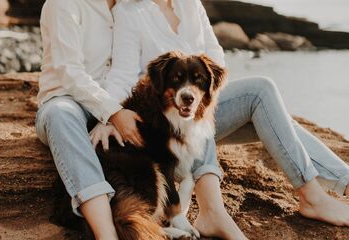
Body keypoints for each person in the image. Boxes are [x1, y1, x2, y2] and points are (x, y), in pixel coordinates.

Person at [89, 0, 349, 239]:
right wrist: (109, 113)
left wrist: (198, 90)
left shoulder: (190, 4)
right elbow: (123, 74)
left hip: (198, 105)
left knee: (265, 105)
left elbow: (217, 57)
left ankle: (345, 182)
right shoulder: (129, 11)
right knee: (261, 93)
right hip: (165, 120)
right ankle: (216, 210)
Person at [35, 0, 124, 239]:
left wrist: (113, 116)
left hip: (116, 104)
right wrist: (113, 112)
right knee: (59, 114)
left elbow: (134, 69)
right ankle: (106, 233)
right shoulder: (63, 3)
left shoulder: (132, 6)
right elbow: (69, 72)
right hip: (64, 100)